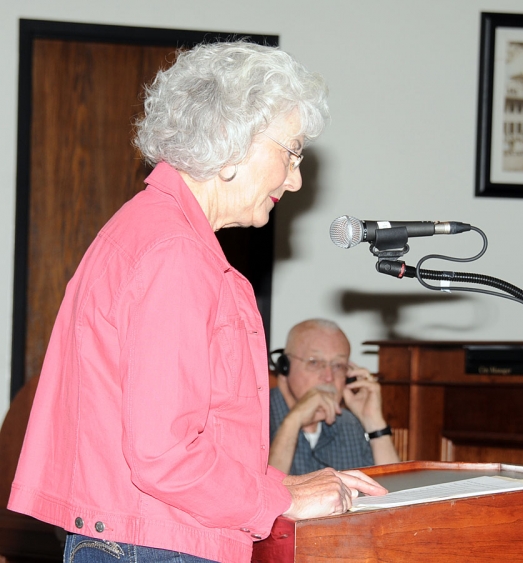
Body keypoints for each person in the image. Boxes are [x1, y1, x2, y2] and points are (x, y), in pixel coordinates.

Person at [8, 42, 387, 563]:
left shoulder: (156, 230)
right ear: (234, 138)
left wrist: (284, 482)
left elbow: (193, 437)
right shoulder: (174, 252)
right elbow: (164, 456)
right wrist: (279, 497)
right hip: (157, 546)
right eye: (291, 152)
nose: (295, 179)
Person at [269, 319, 400, 475]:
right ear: (284, 366)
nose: (329, 377)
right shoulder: (253, 419)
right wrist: (293, 422)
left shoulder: (349, 425)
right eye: (314, 362)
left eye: (338, 366)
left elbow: (394, 493)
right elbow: (264, 494)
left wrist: (373, 423)